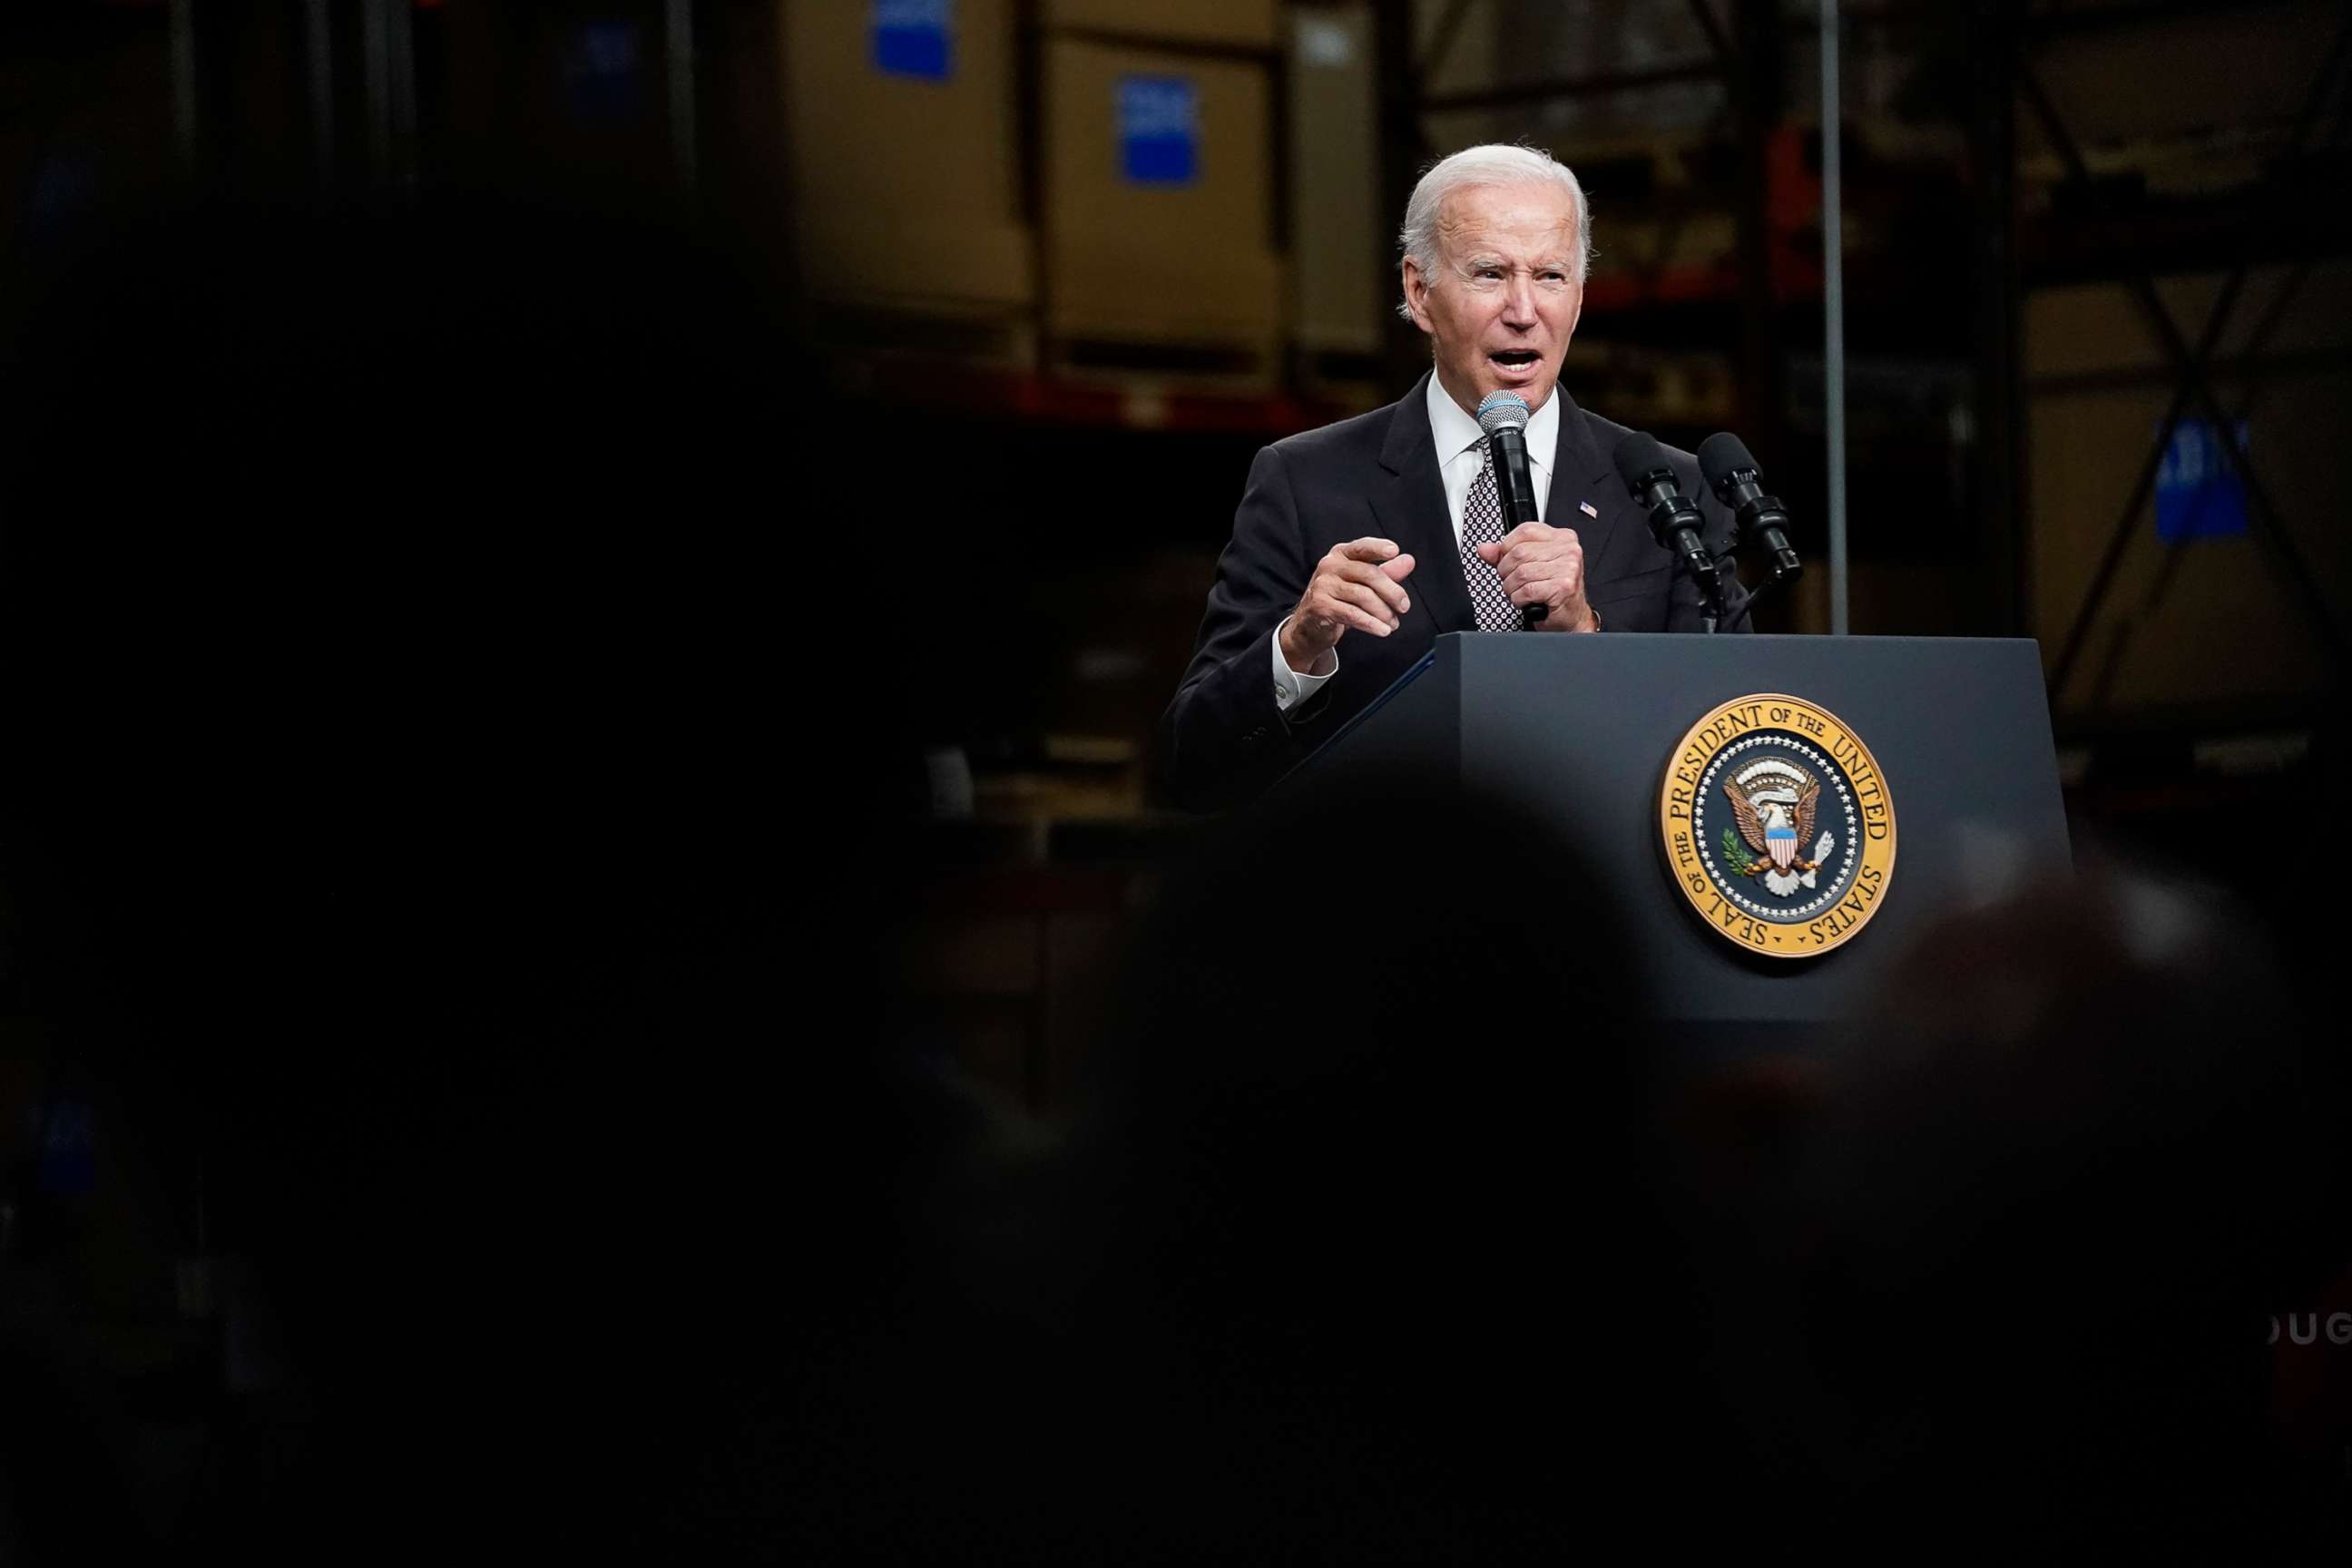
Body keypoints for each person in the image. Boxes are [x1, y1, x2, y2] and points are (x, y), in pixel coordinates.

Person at [1159, 144, 1742, 810]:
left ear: (1578, 298)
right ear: (1419, 291)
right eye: (1490, 274)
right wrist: (1298, 646)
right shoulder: (1305, 481)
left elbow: (1727, 753)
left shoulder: (1672, 493)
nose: (1523, 309)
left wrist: (1583, 636)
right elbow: (1189, 762)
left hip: (1595, 899)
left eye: (1550, 276)